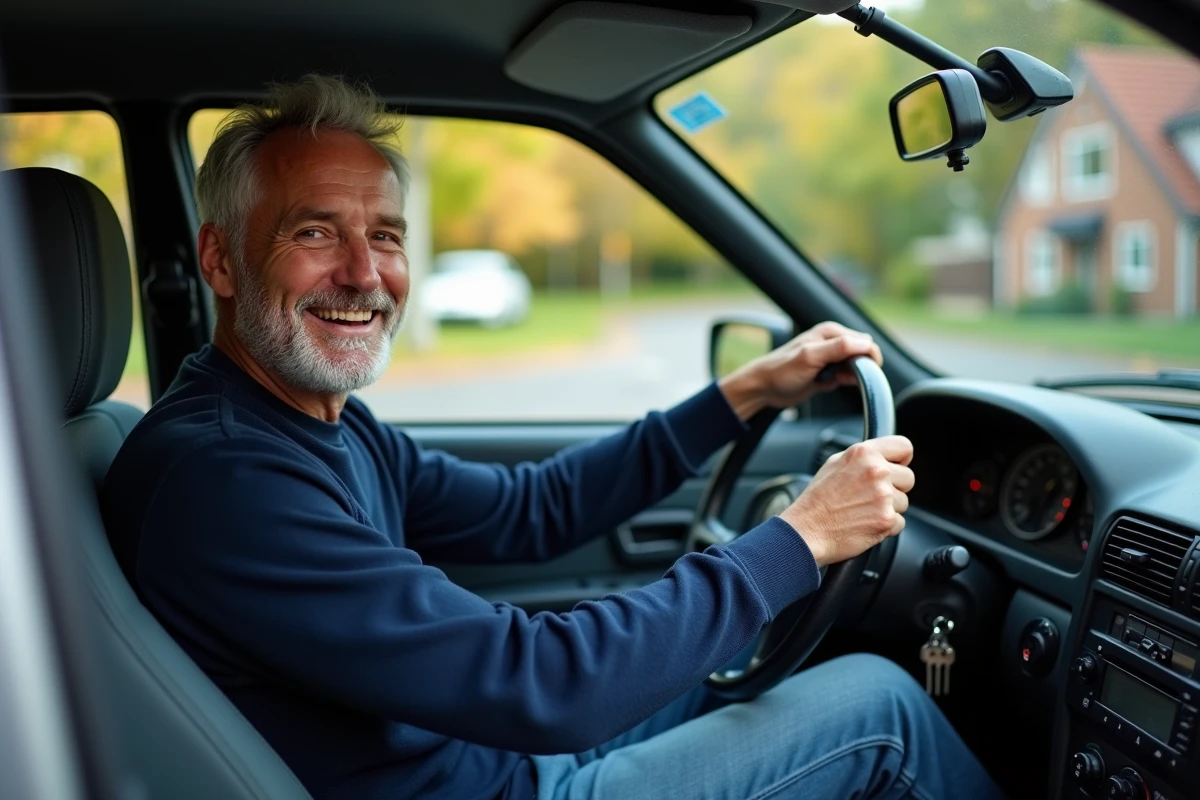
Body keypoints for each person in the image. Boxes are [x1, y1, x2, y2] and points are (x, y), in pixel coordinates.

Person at [102, 75, 1005, 800]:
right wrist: (803, 538)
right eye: (314, 232)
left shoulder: (311, 421)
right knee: (883, 708)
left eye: (385, 235)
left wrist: (740, 394)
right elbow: (545, 683)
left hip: (492, 759)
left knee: (755, 657)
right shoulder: (225, 478)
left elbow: (531, 511)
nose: (365, 273)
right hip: (512, 777)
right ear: (219, 259)